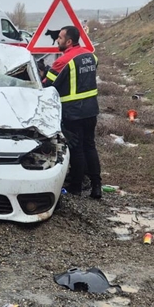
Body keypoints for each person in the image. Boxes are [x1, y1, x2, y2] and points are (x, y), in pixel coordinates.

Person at [42, 25, 102, 199]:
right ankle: (96, 186)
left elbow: (47, 85)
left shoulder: (63, 61)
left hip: (73, 113)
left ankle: (75, 186)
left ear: (69, 41)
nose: (57, 40)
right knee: (90, 146)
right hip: (91, 110)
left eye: (60, 38)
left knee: (76, 149)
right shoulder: (91, 56)